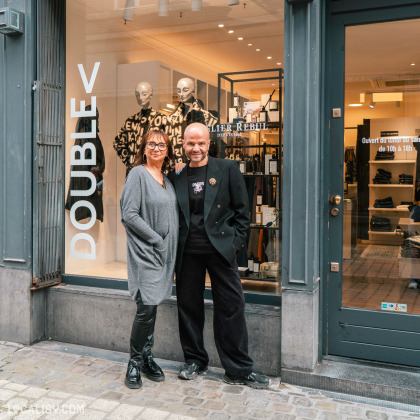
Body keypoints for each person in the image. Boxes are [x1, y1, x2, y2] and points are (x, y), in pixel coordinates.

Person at [169, 122, 270, 389]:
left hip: (221, 250)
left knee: (231, 307)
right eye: (190, 143)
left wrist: (235, 244)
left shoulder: (227, 169)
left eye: (201, 143)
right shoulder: (176, 175)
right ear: (183, 144)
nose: (196, 148)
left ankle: (237, 369)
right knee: (189, 307)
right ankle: (194, 360)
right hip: (188, 252)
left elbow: (242, 212)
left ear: (209, 143)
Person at [120, 130, 178, 389]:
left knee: (152, 307)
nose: (156, 148)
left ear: (167, 150)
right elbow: (129, 215)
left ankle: (146, 356)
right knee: (145, 309)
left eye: (161, 145)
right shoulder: (138, 174)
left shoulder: (166, 178)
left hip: (163, 255)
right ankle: (133, 363)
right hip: (146, 253)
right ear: (143, 148)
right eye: (151, 144)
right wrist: (157, 239)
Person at [114, 81, 167, 175]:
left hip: (155, 171)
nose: (140, 98)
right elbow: (118, 143)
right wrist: (130, 161)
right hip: (134, 171)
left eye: (144, 94)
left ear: (151, 95)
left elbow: (169, 146)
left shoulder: (161, 120)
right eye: (137, 95)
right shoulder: (131, 121)